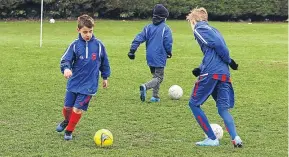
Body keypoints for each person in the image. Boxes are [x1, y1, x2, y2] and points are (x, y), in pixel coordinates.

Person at [186, 7, 242, 147]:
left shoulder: (199, 29)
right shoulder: (215, 30)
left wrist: (229, 60)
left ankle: (212, 138)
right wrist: (200, 67)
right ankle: (236, 138)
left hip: (212, 72)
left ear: (194, 20)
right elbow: (214, 51)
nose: (191, 25)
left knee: (194, 103)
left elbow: (217, 45)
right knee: (223, 109)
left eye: (190, 22)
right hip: (223, 72)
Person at [56, 14, 111, 140]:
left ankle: (69, 131)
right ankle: (66, 121)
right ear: (78, 30)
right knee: (67, 107)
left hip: (89, 85)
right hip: (74, 82)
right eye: (85, 32)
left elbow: (104, 62)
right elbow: (65, 60)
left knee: (77, 109)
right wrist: (66, 69)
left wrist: (105, 77)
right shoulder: (74, 45)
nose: (88, 34)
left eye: (90, 31)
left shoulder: (99, 45)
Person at [128, 4, 173, 103]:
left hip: (150, 56)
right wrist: (169, 52)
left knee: (155, 76)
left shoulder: (148, 27)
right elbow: (168, 42)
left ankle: (155, 97)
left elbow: (139, 38)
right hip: (160, 56)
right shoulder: (166, 28)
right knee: (159, 78)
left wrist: (132, 50)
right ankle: (145, 86)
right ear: (163, 18)